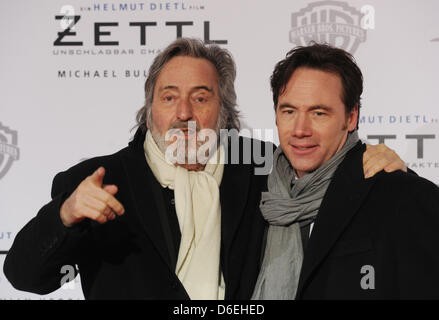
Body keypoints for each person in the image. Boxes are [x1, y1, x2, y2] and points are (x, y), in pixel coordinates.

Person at [4, 38, 406, 300]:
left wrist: (375, 160)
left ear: (223, 110)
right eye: (169, 97)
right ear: (149, 108)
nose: (184, 113)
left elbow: (324, 162)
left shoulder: (264, 167)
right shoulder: (98, 180)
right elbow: (27, 277)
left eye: (201, 98)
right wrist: (65, 216)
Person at [251, 43, 439, 300]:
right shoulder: (257, 197)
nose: (300, 129)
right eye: (289, 111)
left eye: (319, 113)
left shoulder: (405, 196)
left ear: (351, 117)